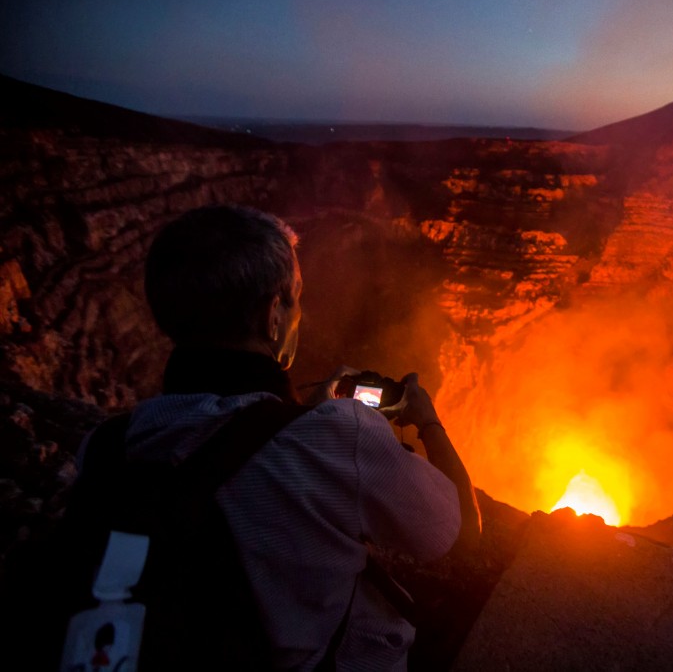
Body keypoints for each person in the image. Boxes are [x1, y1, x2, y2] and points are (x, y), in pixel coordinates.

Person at [125, 204, 480, 670]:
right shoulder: (340, 436)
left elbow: (232, 438)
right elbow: (462, 536)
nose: (300, 315)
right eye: (297, 297)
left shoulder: (115, 442)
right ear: (275, 314)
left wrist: (292, 417)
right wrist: (428, 421)